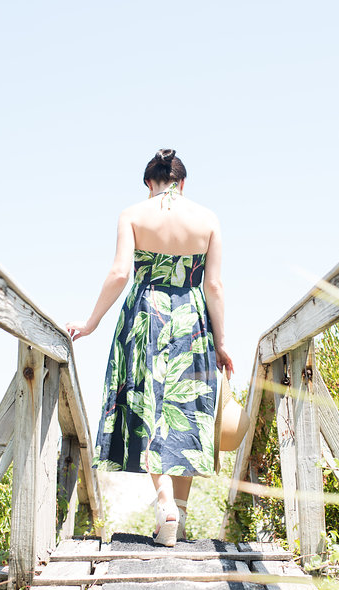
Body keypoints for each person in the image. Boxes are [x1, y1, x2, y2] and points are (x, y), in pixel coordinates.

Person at [66, 149, 233, 546]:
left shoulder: (133, 215)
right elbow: (214, 286)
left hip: (147, 315)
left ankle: (164, 506)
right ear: (183, 182)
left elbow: (121, 272)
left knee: (151, 406)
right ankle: (181, 516)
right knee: (186, 412)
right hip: (192, 321)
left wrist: (91, 322)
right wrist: (222, 341)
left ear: (149, 184)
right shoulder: (208, 219)